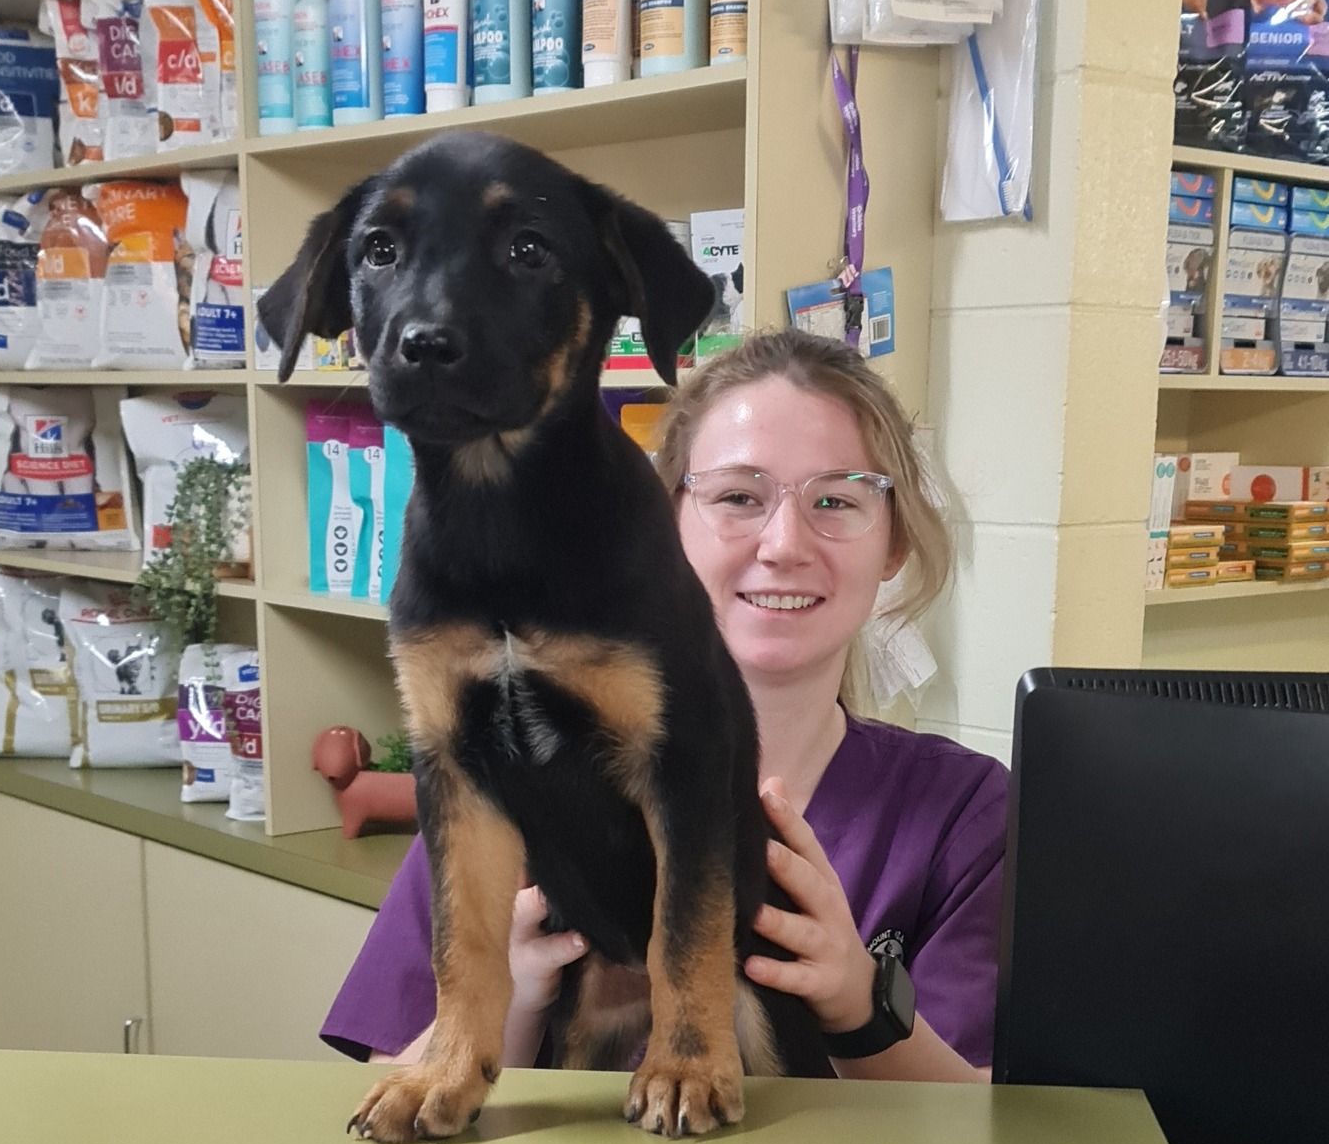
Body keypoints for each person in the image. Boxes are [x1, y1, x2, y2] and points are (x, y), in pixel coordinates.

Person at [322, 329, 1006, 1081]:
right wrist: (507, 1003)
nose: (783, 543)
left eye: (836, 500)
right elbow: (390, 1106)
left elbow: (983, 1133)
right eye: (737, 497)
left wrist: (860, 1006)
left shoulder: (964, 816)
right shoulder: (504, 780)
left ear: (894, 543)